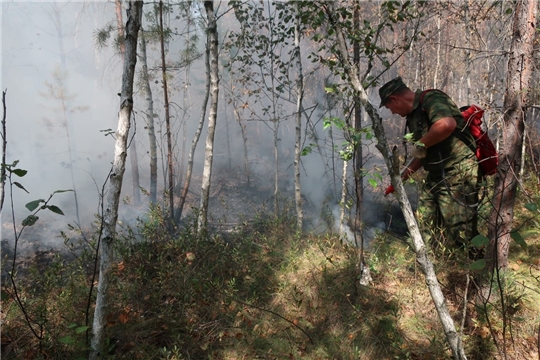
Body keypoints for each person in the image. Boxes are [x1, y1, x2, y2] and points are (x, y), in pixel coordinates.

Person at [379, 77, 481, 258]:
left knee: (461, 229)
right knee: (425, 222)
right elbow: (423, 154)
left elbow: (446, 125)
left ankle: (471, 275)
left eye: (390, 108)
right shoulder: (413, 117)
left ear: (394, 99)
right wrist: (401, 179)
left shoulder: (431, 99)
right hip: (436, 174)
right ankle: (432, 266)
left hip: (459, 172)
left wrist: (421, 144)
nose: (393, 112)